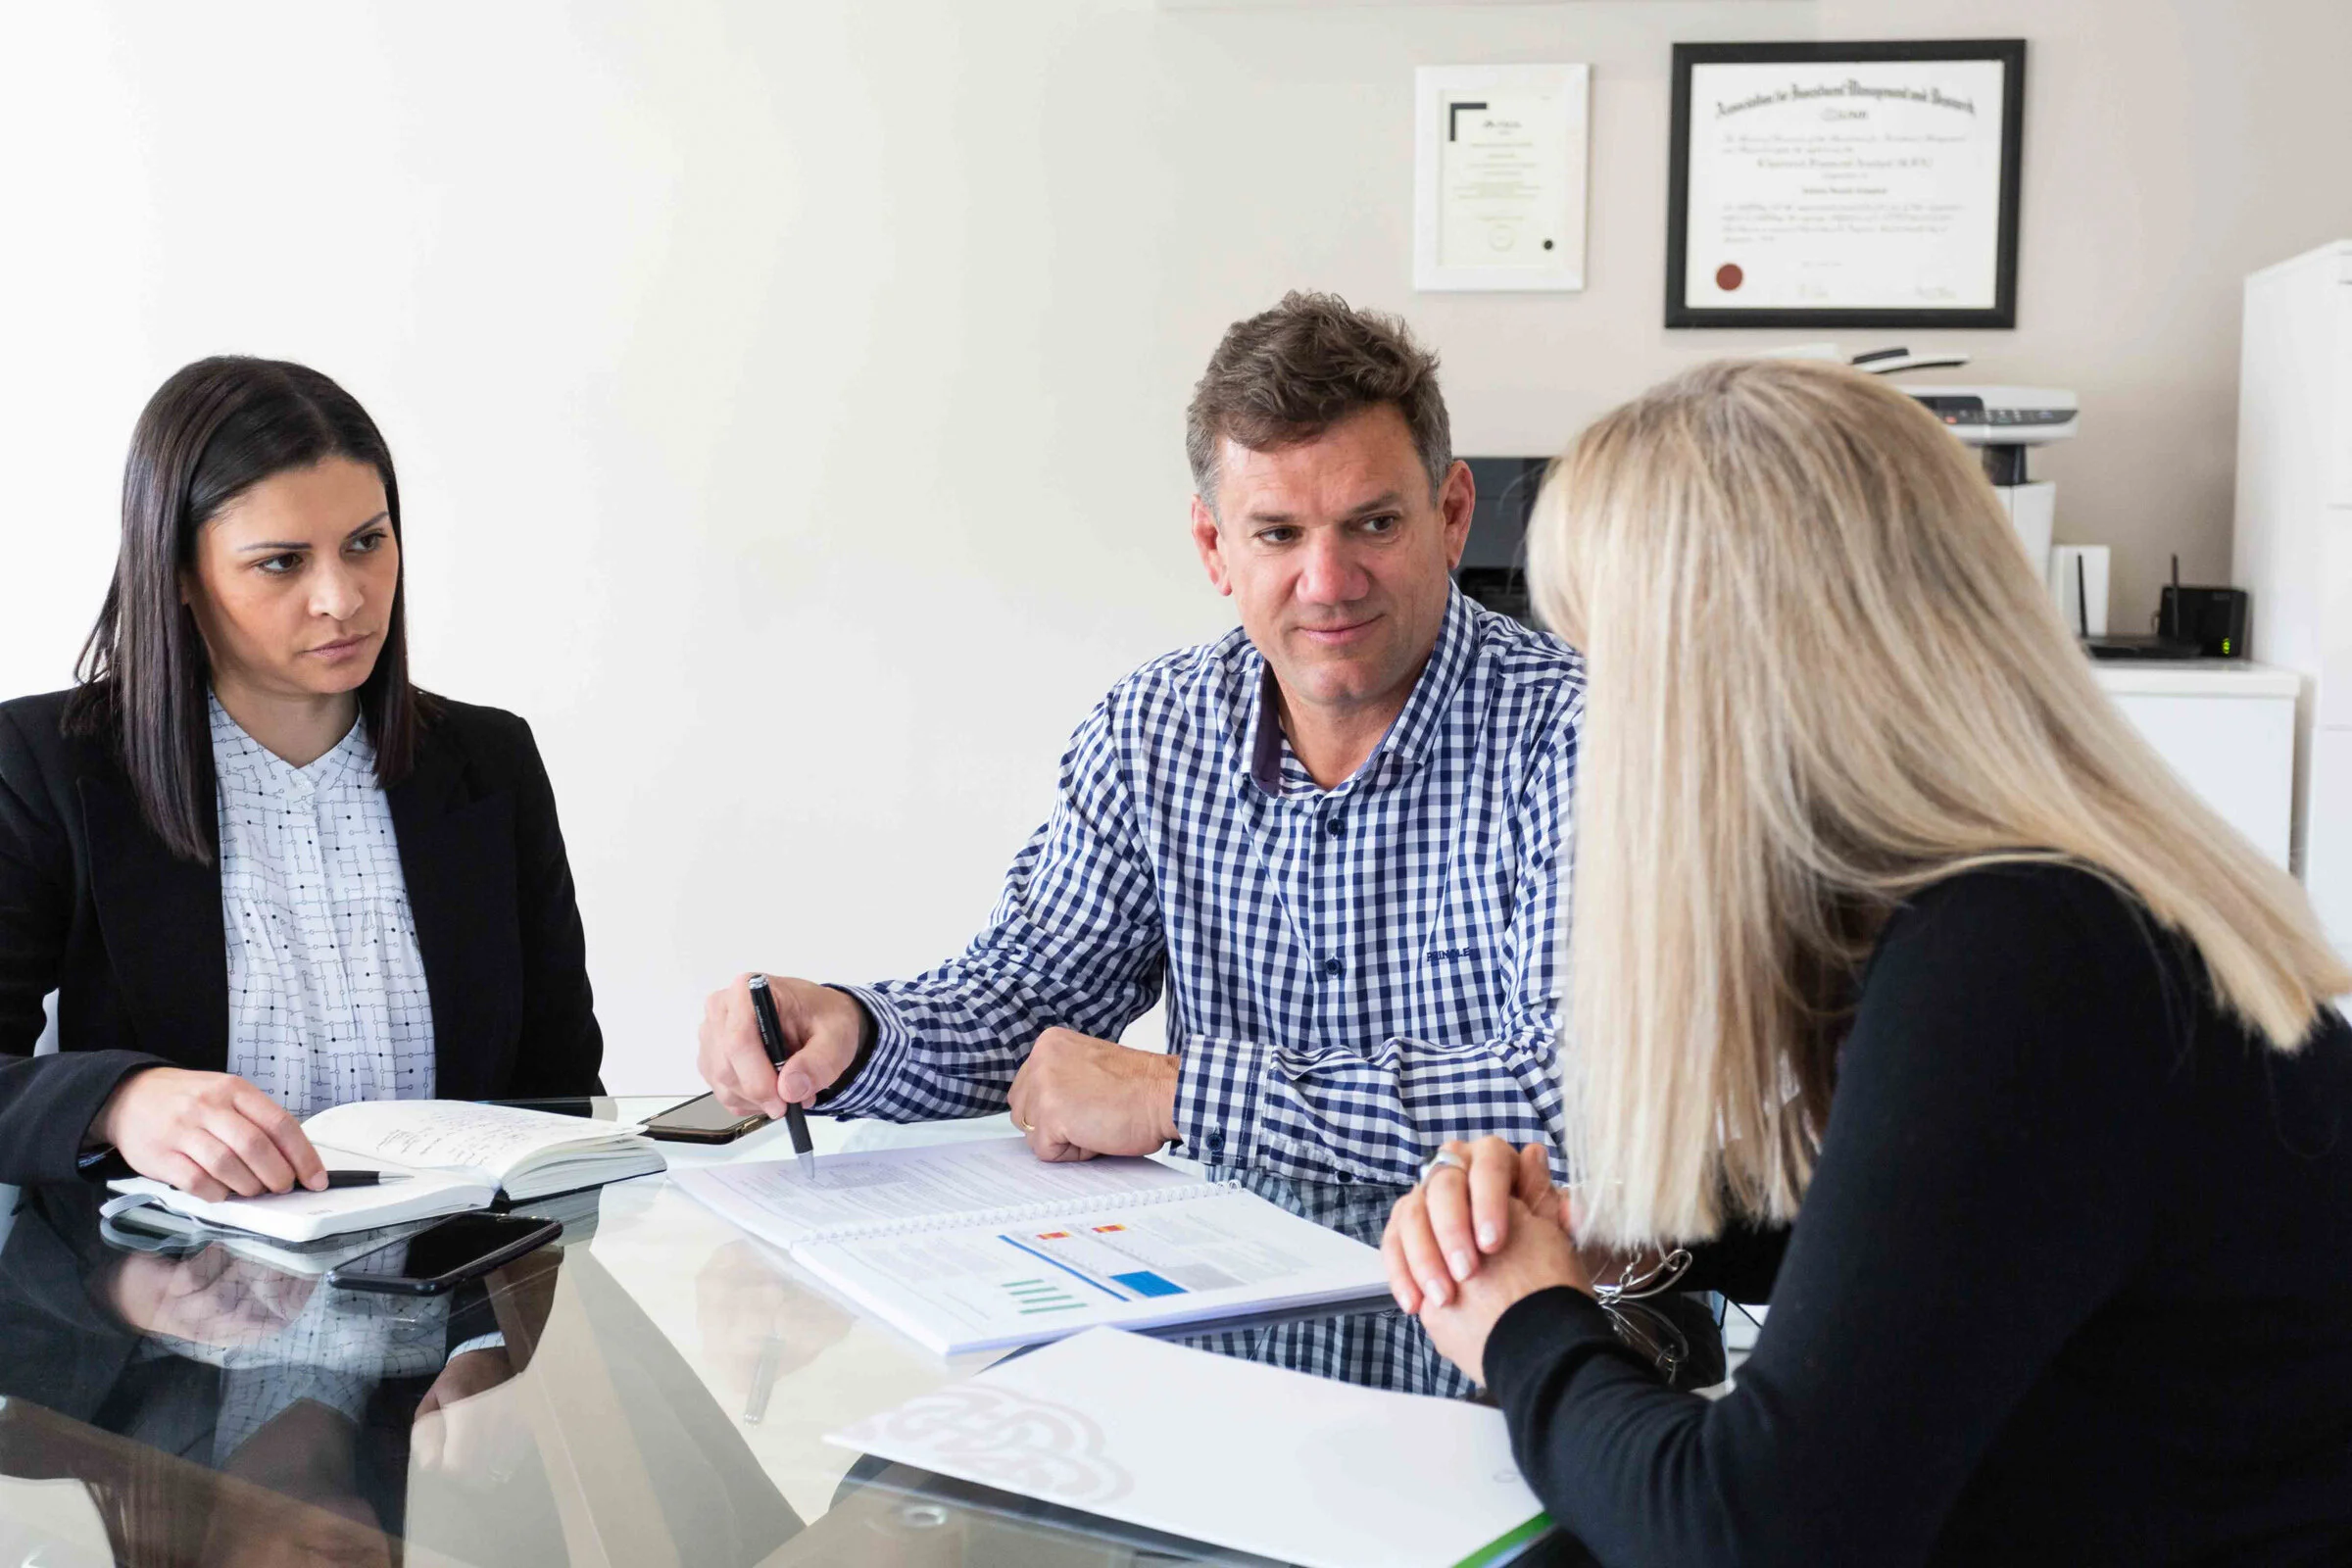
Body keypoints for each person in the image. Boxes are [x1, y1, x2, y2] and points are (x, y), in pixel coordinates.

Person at [1380, 359, 2352, 1564]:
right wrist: (1643, 1231)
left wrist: (1525, 1323)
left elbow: (1750, 1535)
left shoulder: (2022, 959)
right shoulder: (2040, 906)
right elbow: (1949, 1236)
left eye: (1609, 664)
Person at [697, 292, 1587, 1185]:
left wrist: (1180, 1095)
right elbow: (1030, 997)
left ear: (1452, 515)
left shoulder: (1582, 736)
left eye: (1374, 524)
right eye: (1278, 533)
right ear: (1214, 546)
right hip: (1227, 1273)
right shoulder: (1154, 731)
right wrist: (853, 1031)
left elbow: (1575, 1100)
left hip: (1504, 1276)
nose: (1327, 581)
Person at [0, 357, 604, 1198]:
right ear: (177, 573)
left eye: (367, 543)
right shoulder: (44, 762)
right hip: (157, 1274)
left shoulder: (490, 762)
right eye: (282, 562)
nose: (342, 598)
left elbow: (561, 1095)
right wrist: (117, 1101)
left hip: (458, 1270)